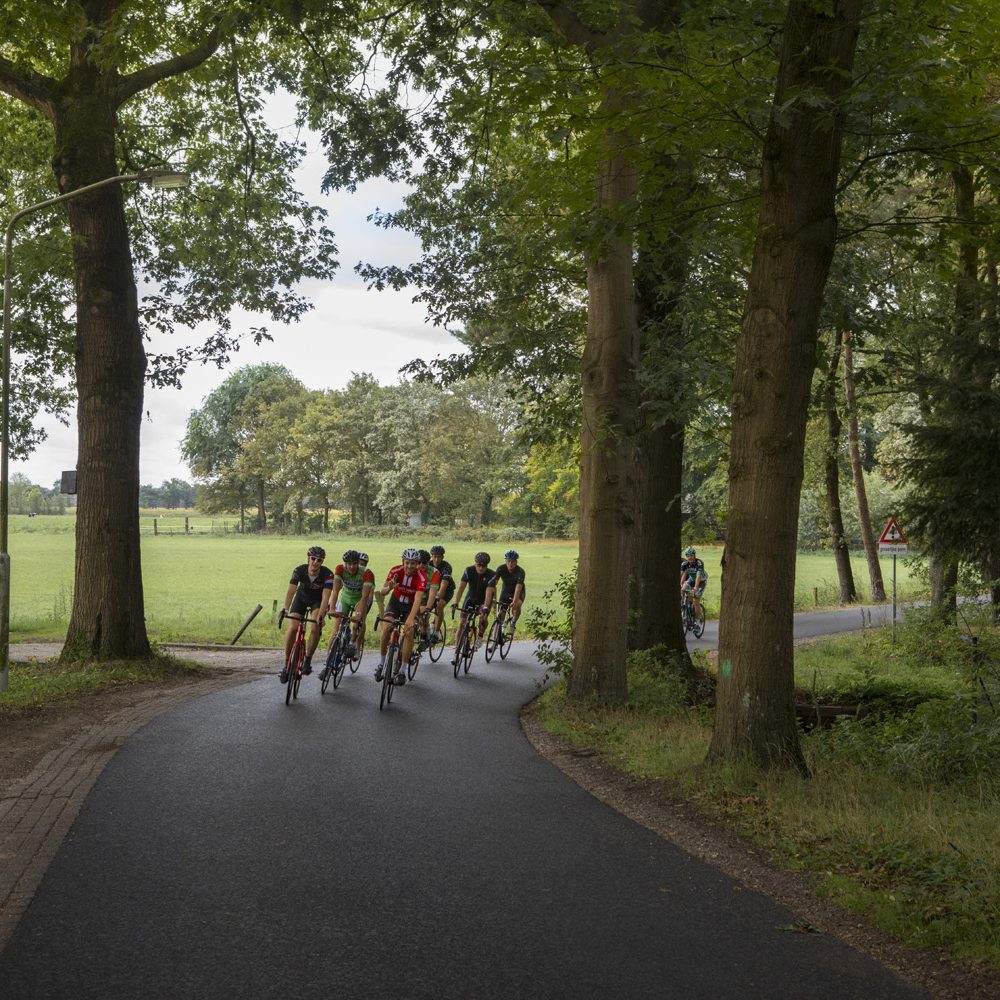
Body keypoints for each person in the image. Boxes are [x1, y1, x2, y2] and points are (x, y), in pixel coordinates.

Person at [319, 549, 375, 681]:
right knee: (336, 631)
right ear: (345, 564)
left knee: (358, 623)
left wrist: (359, 614)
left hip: (359, 600)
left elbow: (364, 597)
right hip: (345, 598)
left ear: (358, 563)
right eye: (348, 564)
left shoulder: (367, 573)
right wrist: (332, 608)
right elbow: (335, 591)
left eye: (354, 563)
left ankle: (356, 646)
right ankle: (328, 663)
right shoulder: (339, 569)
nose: (351, 566)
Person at [375, 547, 427, 686]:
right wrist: (390, 587)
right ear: (403, 561)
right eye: (407, 562)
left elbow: (418, 599)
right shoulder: (395, 571)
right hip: (395, 603)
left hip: (411, 606)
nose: (409, 566)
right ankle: (381, 664)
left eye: (413, 563)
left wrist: (410, 619)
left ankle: (403, 671)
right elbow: (383, 592)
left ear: (417, 564)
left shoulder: (421, 577)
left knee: (409, 632)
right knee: (386, 629)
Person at [280, 545, 334, 679]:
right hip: (301, 599)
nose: (315, 562)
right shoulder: (299, 570)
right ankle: (287, 663)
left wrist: (321, 616)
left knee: (315, 627)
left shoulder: (327, 574)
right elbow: (291, 590)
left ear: (322, 562)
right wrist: (286, 608)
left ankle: (308, 660)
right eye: (313, 558)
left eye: (319, 560)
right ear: (308, 558)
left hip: (317, 602)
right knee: (293, 628)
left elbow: (325, 597)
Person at [451, 552, 494, 666]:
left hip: (484, 600)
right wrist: (456, 602)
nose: (480, 567)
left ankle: (479, 636)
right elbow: (461, 588)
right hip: (470, 599)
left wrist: (485, 608)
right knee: (461, 624)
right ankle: (456, 652)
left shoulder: (491, 575)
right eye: (478, 564)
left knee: (482, 619)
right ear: (474, 563)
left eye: (483, 565)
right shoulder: (468, 570)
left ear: (487, 565)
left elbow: (489, 593)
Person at [486, 549, 526, 629]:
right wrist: (493, 598)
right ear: (505, 561)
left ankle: (513, 622)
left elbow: (518, 588)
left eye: (512, 561)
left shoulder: (520, 572)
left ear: (516, 562)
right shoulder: (501, 568)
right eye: (508, 561)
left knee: (516, 605)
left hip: (518, 592)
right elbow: (493, 584)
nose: (510, 563)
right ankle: (497, 635)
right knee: (501, 615)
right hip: (506, 592)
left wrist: (514, 601)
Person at [428, 545, 454, 640]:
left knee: (439, 605)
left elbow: (443, 585)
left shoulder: (446, 567)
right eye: (434, 556)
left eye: (439, 557)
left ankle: (437, 632)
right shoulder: (428, 564)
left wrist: (437, 597)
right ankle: (427, 627)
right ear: (431, 556)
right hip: (432, 588)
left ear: (442, 557)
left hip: (446, 590)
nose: (436, 559)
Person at [680, 546, 707, 620]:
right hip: (691, 580)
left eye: (691, 555)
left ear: (694, 556)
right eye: (688, 556)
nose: (690, 557)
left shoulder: (699, 563)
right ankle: (685, 605)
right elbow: (684, 574)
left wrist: (695, 587)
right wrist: (681, 583)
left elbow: (698, 576)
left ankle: (697, 619)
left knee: (696, 601)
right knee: (683, 590)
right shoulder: (684, 564)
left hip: (701, 581)